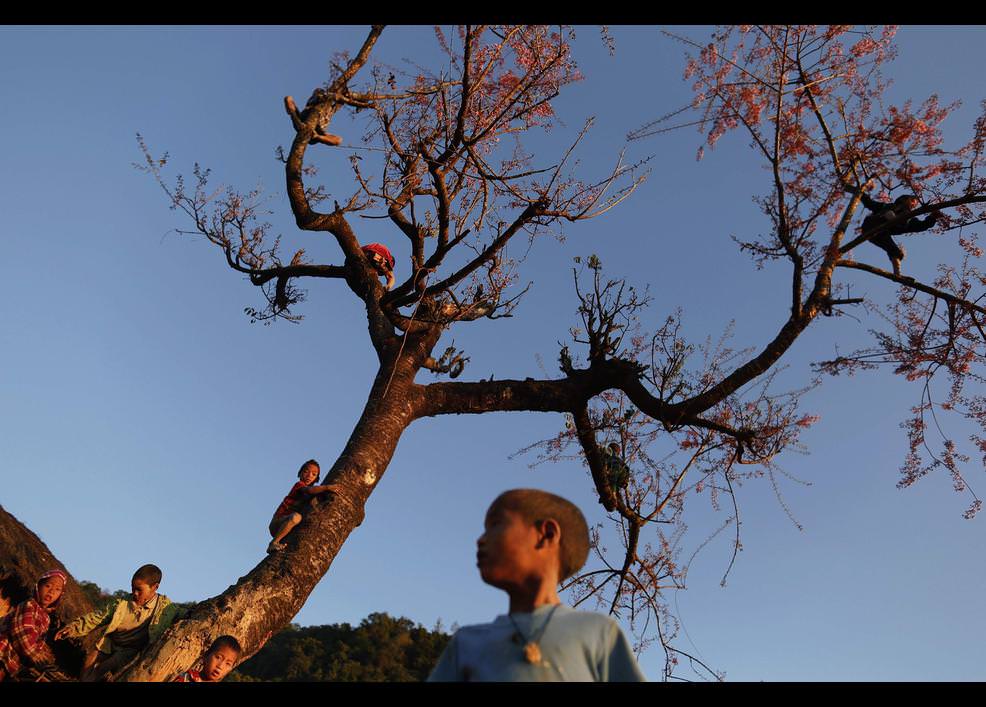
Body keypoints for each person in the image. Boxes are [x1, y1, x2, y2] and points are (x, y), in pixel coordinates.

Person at [428, 489, 646, 682]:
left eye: (495, 524)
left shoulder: (599, 633)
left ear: (547, 534)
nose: (480, 539)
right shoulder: (466, 644)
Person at [55, 563, 180, 681]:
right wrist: (73, 628)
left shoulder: (165, 608)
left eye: (139, 590)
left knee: (102, 668)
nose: (134, 593)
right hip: (110, 642)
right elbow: (98, 617)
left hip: (130, 651)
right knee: (89, 661)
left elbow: (184, 613)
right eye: (132, 588)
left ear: (155, 587)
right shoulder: (122, 603)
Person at [0, 569, 65, 681]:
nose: (51, 591)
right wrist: (36, 657)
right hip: (3, 653)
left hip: (13, 662)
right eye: (48, 586)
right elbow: (21, 632)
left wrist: (42, 654)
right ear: (38, 586)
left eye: (57, 589)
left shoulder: (46, 618)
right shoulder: (29, 605)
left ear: (60, 595)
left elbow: (38, 641)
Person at [267, 459, 342, 553]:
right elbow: (310, 490)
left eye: (314, 474)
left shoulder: (313, 493)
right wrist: (327, 487)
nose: (309, 476)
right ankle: (273, 543)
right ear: (300, 473)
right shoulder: (299, 485)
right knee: (296, 517)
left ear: (317, 478)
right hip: (278, 522)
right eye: (306, 471)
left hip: (287, 526)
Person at [859, 192, 939, 276]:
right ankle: (891, 219)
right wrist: (860, 192)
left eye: (915, 204)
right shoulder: (886, 206)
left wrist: (932, 217)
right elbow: (869, 203)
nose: (913, 204)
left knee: (895, 251)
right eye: (912, 201)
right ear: (903, 199)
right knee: (889, 215)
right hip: (872, 224)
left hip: (880, 233)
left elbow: (921, 226)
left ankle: (897, 274)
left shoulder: (909, 218)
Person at [173, 634, 242, 682]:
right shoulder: (186, 678)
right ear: (206, 655)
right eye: (218, 657)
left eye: (228, 663)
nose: (220, 666)